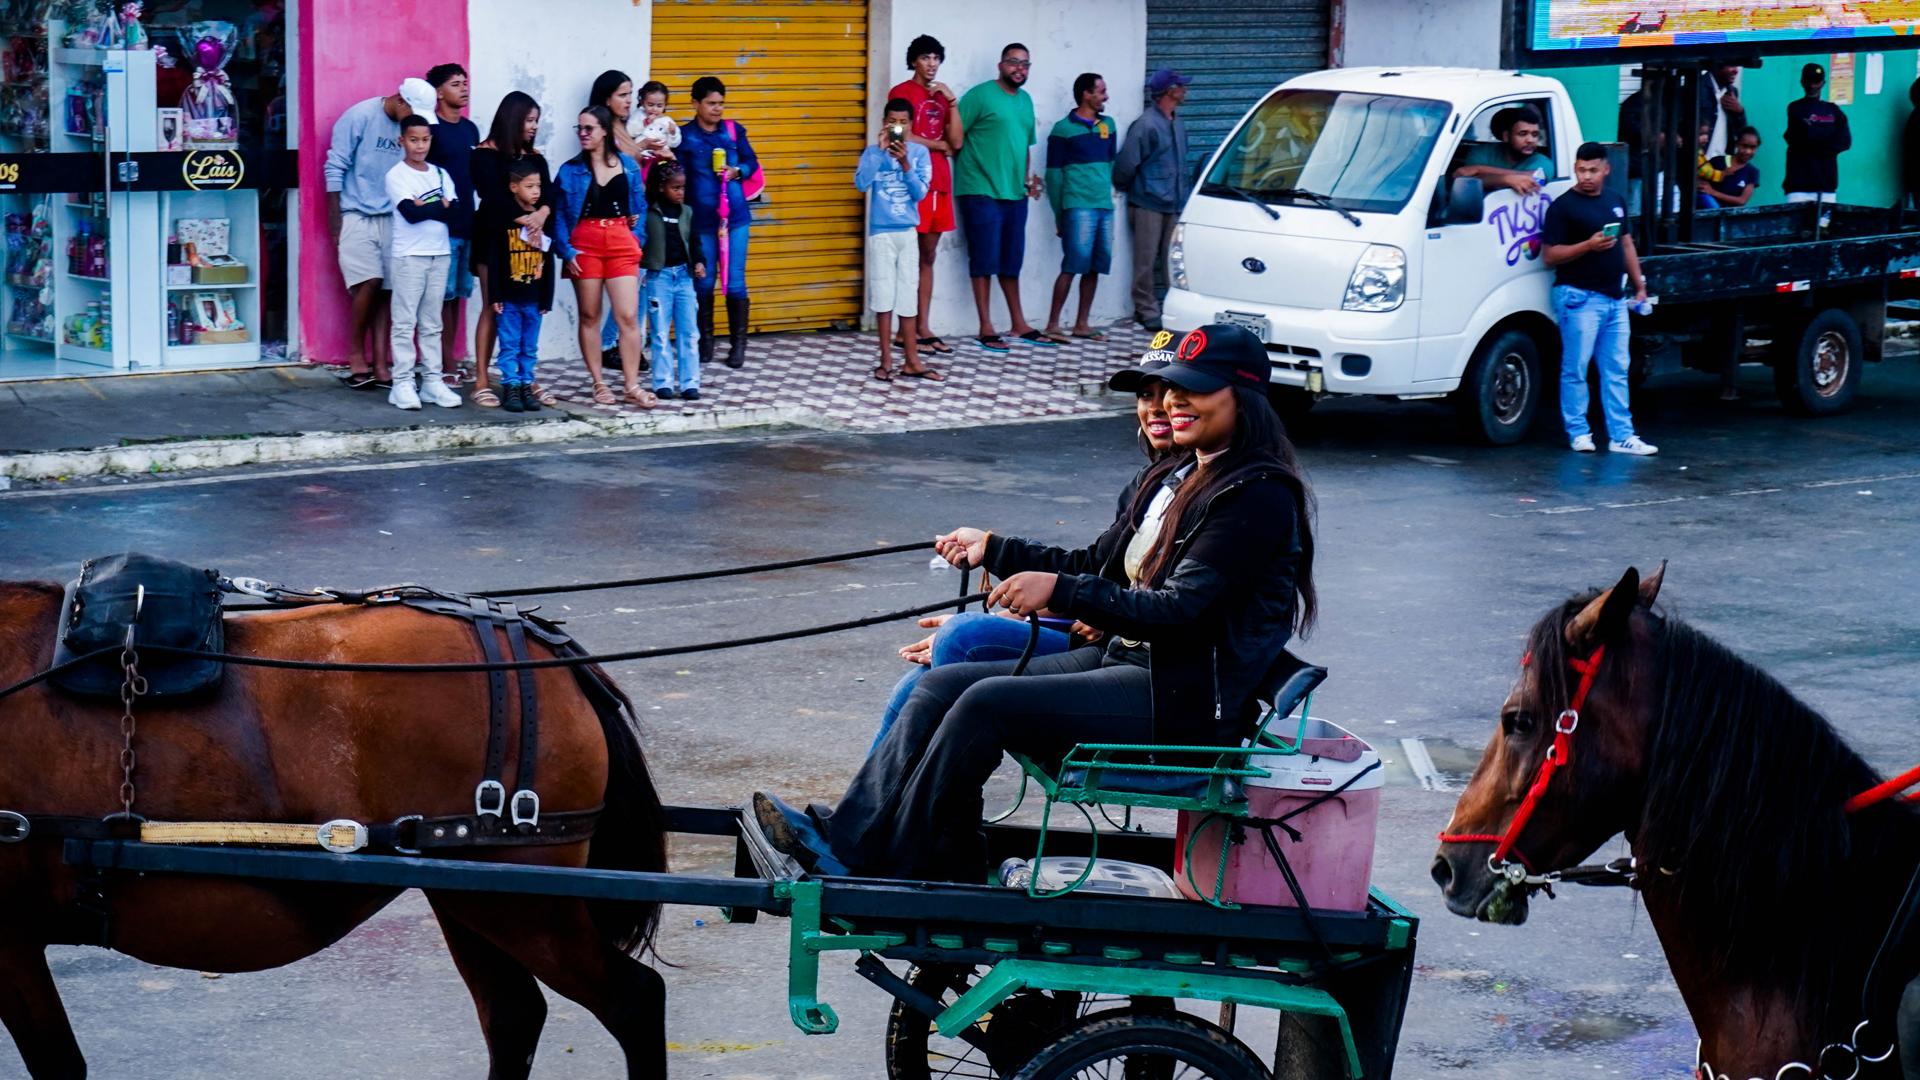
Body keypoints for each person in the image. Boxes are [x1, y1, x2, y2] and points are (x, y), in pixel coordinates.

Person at [752, 324, 1318, 882]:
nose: (1173, 401)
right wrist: (996, 549)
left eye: (1195, 388)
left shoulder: (1256, 496)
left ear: (1243, 399)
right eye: (1171, 387)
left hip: (1183, 701)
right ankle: (859, 843)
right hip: (1133, 664)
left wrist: (1060, 591)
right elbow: (1094, 562)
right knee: (942, 686)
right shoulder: (1181, 474)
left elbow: (1177, 611)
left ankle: (892, 862)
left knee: (987, 704)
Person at [866, 372, 1176, 752]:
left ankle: (912, 789)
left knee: (962, 638)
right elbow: (1095, 567)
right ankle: (872, 793)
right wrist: (993, 551)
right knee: (918, 682)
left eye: (1170, 395)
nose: (1157, 408)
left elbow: (1155, 602)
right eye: (1146, 396)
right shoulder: (1149, 482)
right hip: (1093, 634)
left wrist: (1091, 608)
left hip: (1124, 661)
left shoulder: (1210, 495)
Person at [1543, 142, 1656, 457]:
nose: (1586, 177)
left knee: (1617, 368)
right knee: (1576, 368)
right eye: (1581, 170)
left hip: (1614, 298)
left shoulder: (1615, 200)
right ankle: (1578, 432)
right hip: (1578, 297)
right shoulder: (1563, 207)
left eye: (1593, 170)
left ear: (1606, 169)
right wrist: (1588, 246)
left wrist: (1639, 285)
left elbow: (1626, 244)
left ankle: (1622, 436)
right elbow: (1549, 256)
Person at [325, 79, 423, 389]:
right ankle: (356, 352)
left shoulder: (408, 128)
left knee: (388, 291)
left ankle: (381, 361)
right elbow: (335, 167)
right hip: (356, 212)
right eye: (412, 113)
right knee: (369, 282)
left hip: (394, 216)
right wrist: (336, 223)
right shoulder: (360, 116)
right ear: (401, 100)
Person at [553, 105, 653, 408]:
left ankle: (631, 384)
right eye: (580, 128)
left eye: (589, 128)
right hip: (585, 242)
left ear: (605, 131)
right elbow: (558, 215)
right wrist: (566, 250)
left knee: (628, 315)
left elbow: (641, 206)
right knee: (589, 314)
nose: (583, 134)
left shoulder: (628, 165)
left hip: (621, 240)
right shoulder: (570, 170)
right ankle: (598, 382)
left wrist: (637, 239)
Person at [954, 43, 1048, 353]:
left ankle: (1018, 323)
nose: (1019, 69)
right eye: (1013, 62)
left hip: (1014, 192)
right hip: (980, 188)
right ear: (1000, 65)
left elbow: (1024, 145)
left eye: (1025, 64)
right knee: (983, 259)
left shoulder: (1026, 101)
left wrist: (1027, 179)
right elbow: (955, 136)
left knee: (1011, 260)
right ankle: (986, 326)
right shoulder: (980, 96)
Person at [469, 91, 556, 410]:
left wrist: (542, 214)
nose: (534, 126)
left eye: (536, 120)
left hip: (529, 245)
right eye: (529, 120)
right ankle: (481, 379)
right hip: (494, 240)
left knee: (528, 310)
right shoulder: (484, 155)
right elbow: (491, 196)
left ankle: (523, 379)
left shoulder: (535, 158)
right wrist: (527, 219)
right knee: (494, 306)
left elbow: (550, 194)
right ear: (513, 118)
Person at [678, 76, 761, 369]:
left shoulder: (733, 130)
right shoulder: (684, 136)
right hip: (700, 221)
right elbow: (676, 175)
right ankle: (706, 341)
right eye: (711, 103)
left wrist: (737, 171)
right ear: (695, 103)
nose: (717, 109)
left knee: (735, 280)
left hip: (735, 217)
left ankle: (738, 345)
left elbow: (752, 162)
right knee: (703, 280)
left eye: (721, 103)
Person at [888, 34, 964, 358]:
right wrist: (935, 145)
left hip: (940, 182)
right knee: (907, 255)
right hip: (911, 181)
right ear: (914, 61)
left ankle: (923, 326)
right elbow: (898, 134)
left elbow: (956, 142)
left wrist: (952, 103)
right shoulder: (901, 92)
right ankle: (902, 330)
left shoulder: (943, 97)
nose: (931, 64)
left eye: (936, 58)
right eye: (925, 58)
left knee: (928, 256)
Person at [857, 98, 940, 383]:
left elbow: (920, 193)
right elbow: (861, 183)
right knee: (883, 295)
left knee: (907, 295)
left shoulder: (919, 153)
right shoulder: (872, 152)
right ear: (884, 123)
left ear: (911, 125)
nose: (898, 127)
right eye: (893, 122)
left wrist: (905, 164)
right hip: (881, 233)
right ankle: (886, 360)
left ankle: (912, 360)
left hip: (908, 232)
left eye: (903, 122)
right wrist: (880, 153)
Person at [383, 114, 461, 411]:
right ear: (401, 141)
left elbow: (455, 211)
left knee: (432, 322)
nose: (420, 146)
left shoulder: (440, 174)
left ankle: (432, 381)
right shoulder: (397, 175)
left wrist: (426, 204)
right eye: (413, 140)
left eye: (425, 140)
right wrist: (439, 205)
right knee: (405, 322)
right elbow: (410, 214)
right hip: (409, 256)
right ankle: (402, 382)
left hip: (439, 253)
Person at [1113, 68, 1192, 333]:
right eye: (1181, 86)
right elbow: (1126, 164)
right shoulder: (1146, 125)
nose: (1185, 90)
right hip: (1148, 204)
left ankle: (1173, 309)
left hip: (1174, 203)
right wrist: (1134, 190)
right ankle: (1146, 309)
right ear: (1170, 91)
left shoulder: (1177, 123)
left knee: (1172, 260)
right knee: (1145, 261)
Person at [1043, 72, 1117, 344]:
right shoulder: (1063, 129)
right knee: (1072, 264)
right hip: (1078, 206)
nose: (1105, 96)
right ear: (1086, 94)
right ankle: (1053, 324)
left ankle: (1082, 324)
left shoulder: (1108, 125)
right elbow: (1054, 175)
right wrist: (1059, 213)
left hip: (1104, 206)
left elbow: (1111, 162)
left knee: (1096, 265)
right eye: (1101, 91)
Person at [484, 159, 556, 413]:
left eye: (538, 186)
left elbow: (548, 261)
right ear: (514, 187)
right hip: (509, 298)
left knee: (529, 346)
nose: (536, 191)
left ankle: (526, 383)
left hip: (534, 299)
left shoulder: (543, 222)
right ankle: (510, 386)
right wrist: (495, 295)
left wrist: (546, 297)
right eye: (529, 186)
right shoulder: (505, 221)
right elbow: (494, 260)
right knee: (510, 344)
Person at [424, 63, 479, 392]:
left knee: (459, 295)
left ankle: (453, 360)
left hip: (467, 222)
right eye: (456, 84)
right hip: (440, 226)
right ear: (439, 92)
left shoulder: (470, 130)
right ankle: (441, 364)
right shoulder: (431, 129)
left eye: (464, 82)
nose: (464, 88)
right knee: (440, 298)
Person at [590, 70, 644, 374]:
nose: (629, 100)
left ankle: (624, 343)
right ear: (606, 98)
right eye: (622, 95)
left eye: (630, 94)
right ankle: (609, 343)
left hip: (641, 210)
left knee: (641, 281)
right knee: (631, 283)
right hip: (620, 219)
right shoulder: (604, 132)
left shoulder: (628, 126)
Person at [641, 163, 705, 401]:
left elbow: (695, 241)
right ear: (661, 187)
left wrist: (699, 262)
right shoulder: (649, 212)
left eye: (683, 188)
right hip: (659, 278)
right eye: (675, 188)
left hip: (684, 277)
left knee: (689, 333)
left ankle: (690, 384)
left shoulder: (687, 212)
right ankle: (663, 383)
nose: (680, 192)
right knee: (659, 333)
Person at [1783, 62, 1850, 209]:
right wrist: (1827, 136)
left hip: (1826, 187)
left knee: (1825, 223)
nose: (1813, 85)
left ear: (1823, 83)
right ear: (1802, 82)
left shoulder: (1834, 110)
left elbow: (1845, 142)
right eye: (1809, 80)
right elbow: (1803, 136)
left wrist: (1814, 132)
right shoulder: (1795, 108)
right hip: (1798, 186)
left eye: (1816, 81)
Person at [1451, 105, 1551, 195]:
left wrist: (1479, 169)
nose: (1530, 140)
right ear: (1506, 136)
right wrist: (1507, 179)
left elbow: (1533, 178)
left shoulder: (1543, 161)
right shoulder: (1482, 152)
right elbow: (1468, 181)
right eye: (1522, 134)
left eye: (1535, 135)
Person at [1698, 125, 1761, 209]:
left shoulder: (1752, 172)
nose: (1748, 151)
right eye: (1744, 146)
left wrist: (1713, 192)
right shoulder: (1717, 161)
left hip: (1729, 216)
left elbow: (1742, 201)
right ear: (1737, 144)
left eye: (1753, 148)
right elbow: (1700, 180)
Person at [635, 81, 681, 175]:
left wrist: (673, 133)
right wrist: (645, 123)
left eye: (659, 106)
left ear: (665, 105)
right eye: (650, 105)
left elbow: (674, 144)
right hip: (644, 155)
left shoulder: (667, 121)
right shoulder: (638, 116)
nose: (654, 109)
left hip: (662, 157)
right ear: (643, 102)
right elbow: (630, 131)